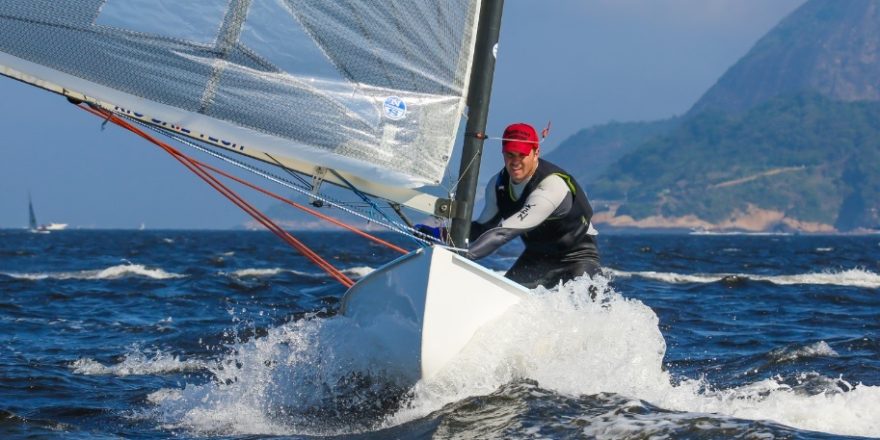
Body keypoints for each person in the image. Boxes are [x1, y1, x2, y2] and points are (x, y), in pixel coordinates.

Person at [465, 122, 600, 289]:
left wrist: (461, 255)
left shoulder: (551, 185)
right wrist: (441, 235)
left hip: (577, 256)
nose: (515, 162)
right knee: (500, 297)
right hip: (537, 256)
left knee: (589, 310)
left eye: (521, 155)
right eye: (509, 154)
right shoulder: (497, 185)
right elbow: (483, 227)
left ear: (536, 153)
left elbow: (503, 233)